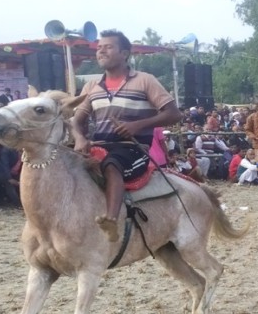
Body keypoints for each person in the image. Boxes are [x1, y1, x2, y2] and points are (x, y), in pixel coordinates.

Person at [73, 29, 183, 242]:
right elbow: (77, 120)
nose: (101, 51)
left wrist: (138, 125)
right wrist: (79, 138)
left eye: (108, 47)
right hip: (98, 145)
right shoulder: (92, 86)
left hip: (132, 147)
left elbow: (174, 114)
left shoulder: (145, 80)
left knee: (113, 164)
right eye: (99, 48)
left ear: (125, 54)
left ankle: (112, 220)